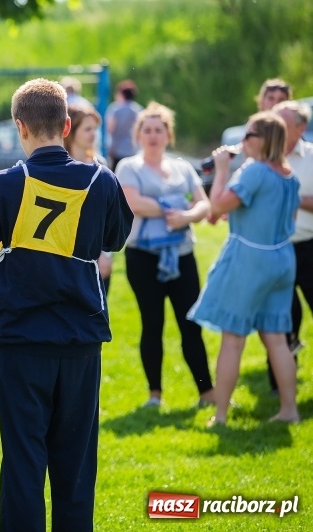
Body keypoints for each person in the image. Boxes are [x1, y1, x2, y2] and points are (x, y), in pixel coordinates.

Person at [0, 78, 133, 532]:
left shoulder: (4, 186)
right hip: (81, 342)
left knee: (24, 464)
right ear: (67, 125)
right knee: (76, 467)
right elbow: (116, 239)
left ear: (19, 127)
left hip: (22, 344)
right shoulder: (100, 179)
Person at [187, 111, 300, 426]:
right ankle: (290, 411)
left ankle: (220, 416)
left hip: (251, 259)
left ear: (265, 140)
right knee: (276, 337)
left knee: (233, 338)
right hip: (282, 258)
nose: (243, 140)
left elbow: (219, 204)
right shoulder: (289, 175)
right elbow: (287, 220)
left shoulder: (254, 172)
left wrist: (222, 169)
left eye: (249, 135)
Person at [116, 102, 215, 409]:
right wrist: (176, 206)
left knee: (191, 325)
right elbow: (134, 203)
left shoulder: (183, 167)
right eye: (147, 130)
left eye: (159, 130)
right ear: (138, 134)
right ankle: (154, 395)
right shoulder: (128, 167)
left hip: (182, 255)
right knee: (153, 323)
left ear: (168, 135)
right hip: (143, 258)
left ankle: (207, 394)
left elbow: (203, 205)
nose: (153, 135)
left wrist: (186, 216)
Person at [274, 100, 313, 362]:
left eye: (282, 124)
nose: (275, 129)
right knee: (280, 321)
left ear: (301, 128)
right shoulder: (263, 159)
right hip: (275, 251)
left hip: (309, 247)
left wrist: (291, 197)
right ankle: (281, 389)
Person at [67, 103, 113, 290]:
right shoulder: (58, 168)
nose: (93, 134)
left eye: (95, 129)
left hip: (95, 253)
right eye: (87, 129)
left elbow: (107, 216)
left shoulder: (100, 165)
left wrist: (106, 254)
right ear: (70, 130)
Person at [105, 79, 143, 170]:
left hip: (117, 150)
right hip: (133, 150)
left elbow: (110, 129)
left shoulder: (115, 109)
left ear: (121, 94)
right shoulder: (139, 110)